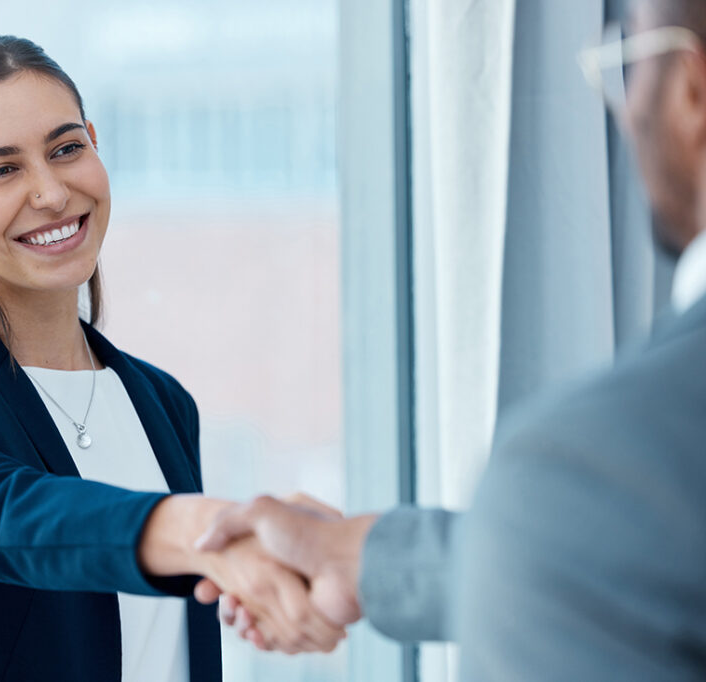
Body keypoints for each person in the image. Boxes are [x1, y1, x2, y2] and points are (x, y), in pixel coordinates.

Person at [196, 1, 706, 678]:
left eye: (627, 68)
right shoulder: (610, 493)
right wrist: (370, 558)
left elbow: (601, 538)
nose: (622, 109)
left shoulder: (596, 463)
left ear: (691, 95)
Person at [0, 34, 343, 682]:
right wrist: (212, 534)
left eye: (67, 148)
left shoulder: (161, 402)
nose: (51, 191)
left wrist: (269, 576)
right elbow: (8, 516)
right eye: (2, 169)